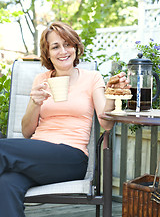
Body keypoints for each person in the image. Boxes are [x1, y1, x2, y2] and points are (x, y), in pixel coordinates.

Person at [0, 22, 130, 217]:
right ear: (48, 53)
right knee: (6, 184)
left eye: (68, 44)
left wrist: (112, 95)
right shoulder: (41, 80)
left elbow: (106, 123)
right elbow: (27, 132)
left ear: (76, 47)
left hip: (70, 158)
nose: (63, 51)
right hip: (36, 156)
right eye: (55, 46)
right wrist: (35, 103)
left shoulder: (92, 78)